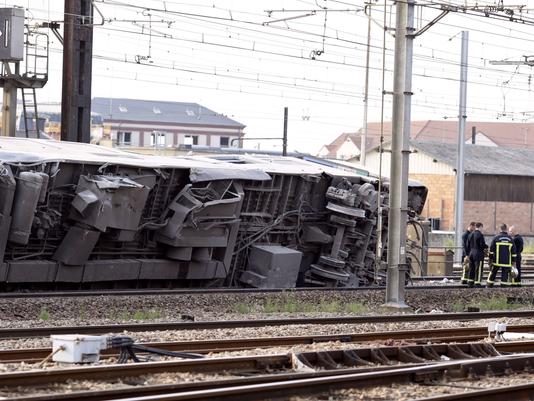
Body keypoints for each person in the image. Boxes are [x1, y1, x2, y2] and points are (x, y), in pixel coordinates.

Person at [466, 222, 488, 288]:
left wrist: (468, 254)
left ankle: (470, 282)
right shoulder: (480, 235)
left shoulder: (470, 234)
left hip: (471, 253)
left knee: (471, 268)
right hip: (478, 254)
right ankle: (477, 283)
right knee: (478, 268)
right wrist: (486, 246)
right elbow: (482, 244)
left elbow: (467, 245)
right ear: (480, 227)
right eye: (482, 228)